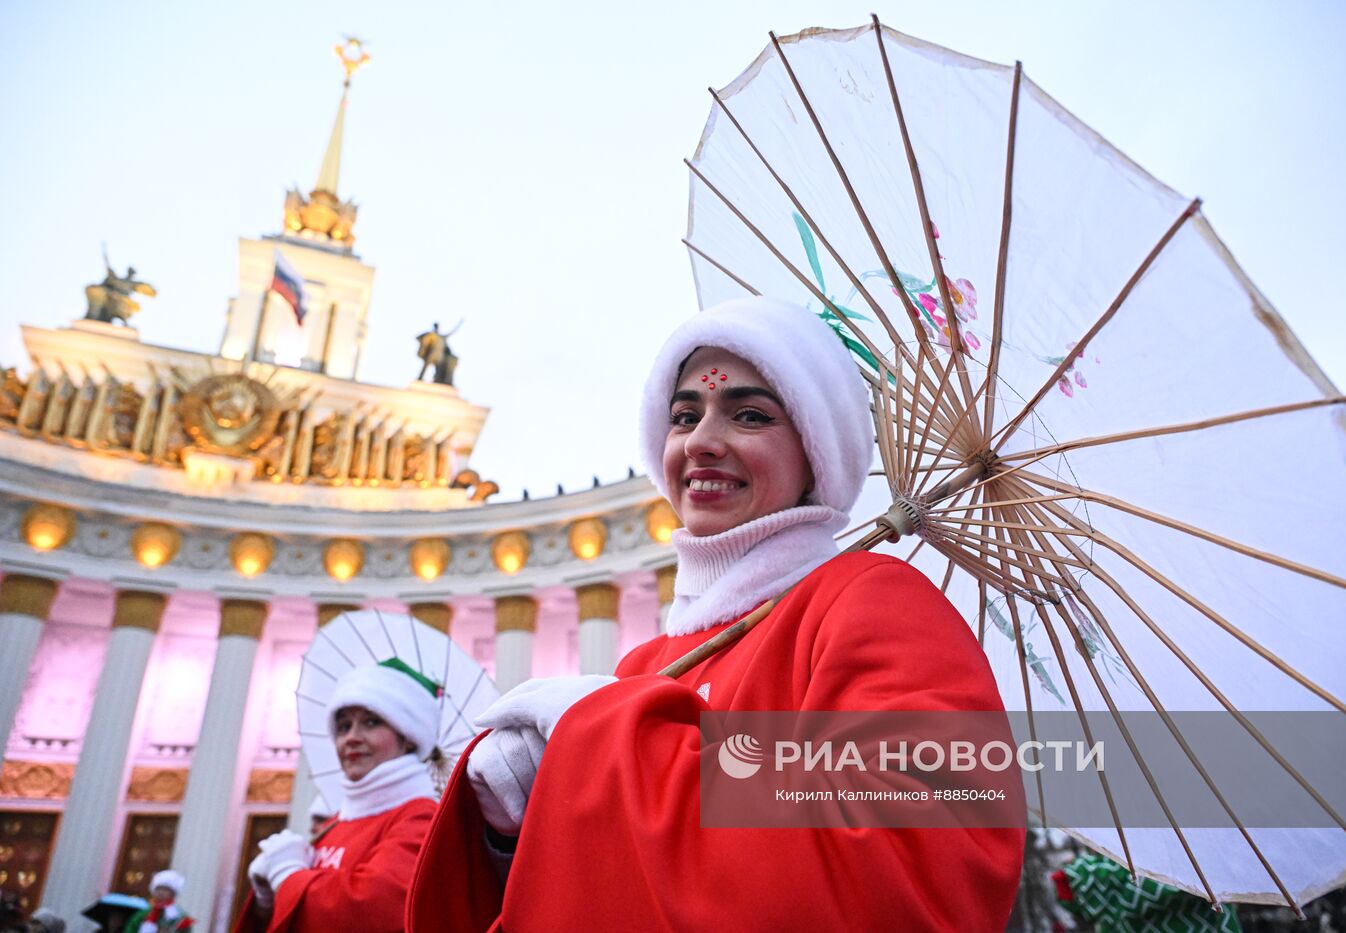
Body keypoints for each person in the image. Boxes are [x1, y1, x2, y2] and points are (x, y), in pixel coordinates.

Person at [407, 297, 1025, 930]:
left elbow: (915, 860)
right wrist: (515, 831)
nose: (702, 442)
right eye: (684, 415)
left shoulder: (873, 599)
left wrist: (607, 740)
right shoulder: (644, 663)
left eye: (750, 415)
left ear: (815, 451)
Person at [234, 659, 441, 932]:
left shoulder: (422, 818)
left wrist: (286, 876)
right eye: (343, 726)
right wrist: (266, 902)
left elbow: (369, 913)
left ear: (409, 736)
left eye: (371, 721)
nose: (351, 738)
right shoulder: (335, 822)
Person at [122, 871, 192, 932]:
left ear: (173, 893)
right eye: (158, 889)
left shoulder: (180, 917)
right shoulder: (144, 913)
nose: (160, 893)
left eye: (165, 889)